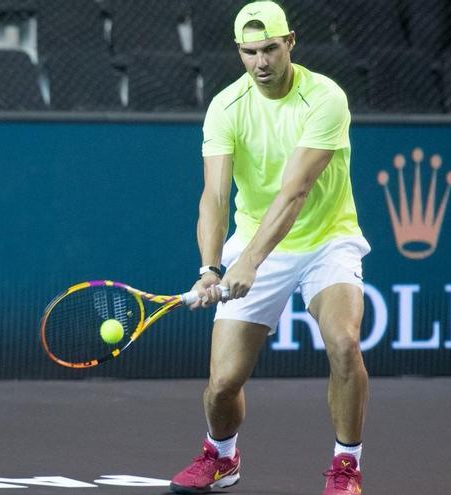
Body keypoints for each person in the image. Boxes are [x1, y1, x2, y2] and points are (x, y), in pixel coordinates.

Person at [169, 2, 371, 494]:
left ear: (291, 43)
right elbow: (215, 197)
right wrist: (211, 266)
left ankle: (347, 466)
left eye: (270, 49)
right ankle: (221, 458)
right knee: (221, 385)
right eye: (248, 52)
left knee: (344, 343)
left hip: (328, 238)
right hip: (254, 240)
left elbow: (295, 192)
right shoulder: (226, 106)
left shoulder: (325, 98)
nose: (260, 62)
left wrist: (250, 262)